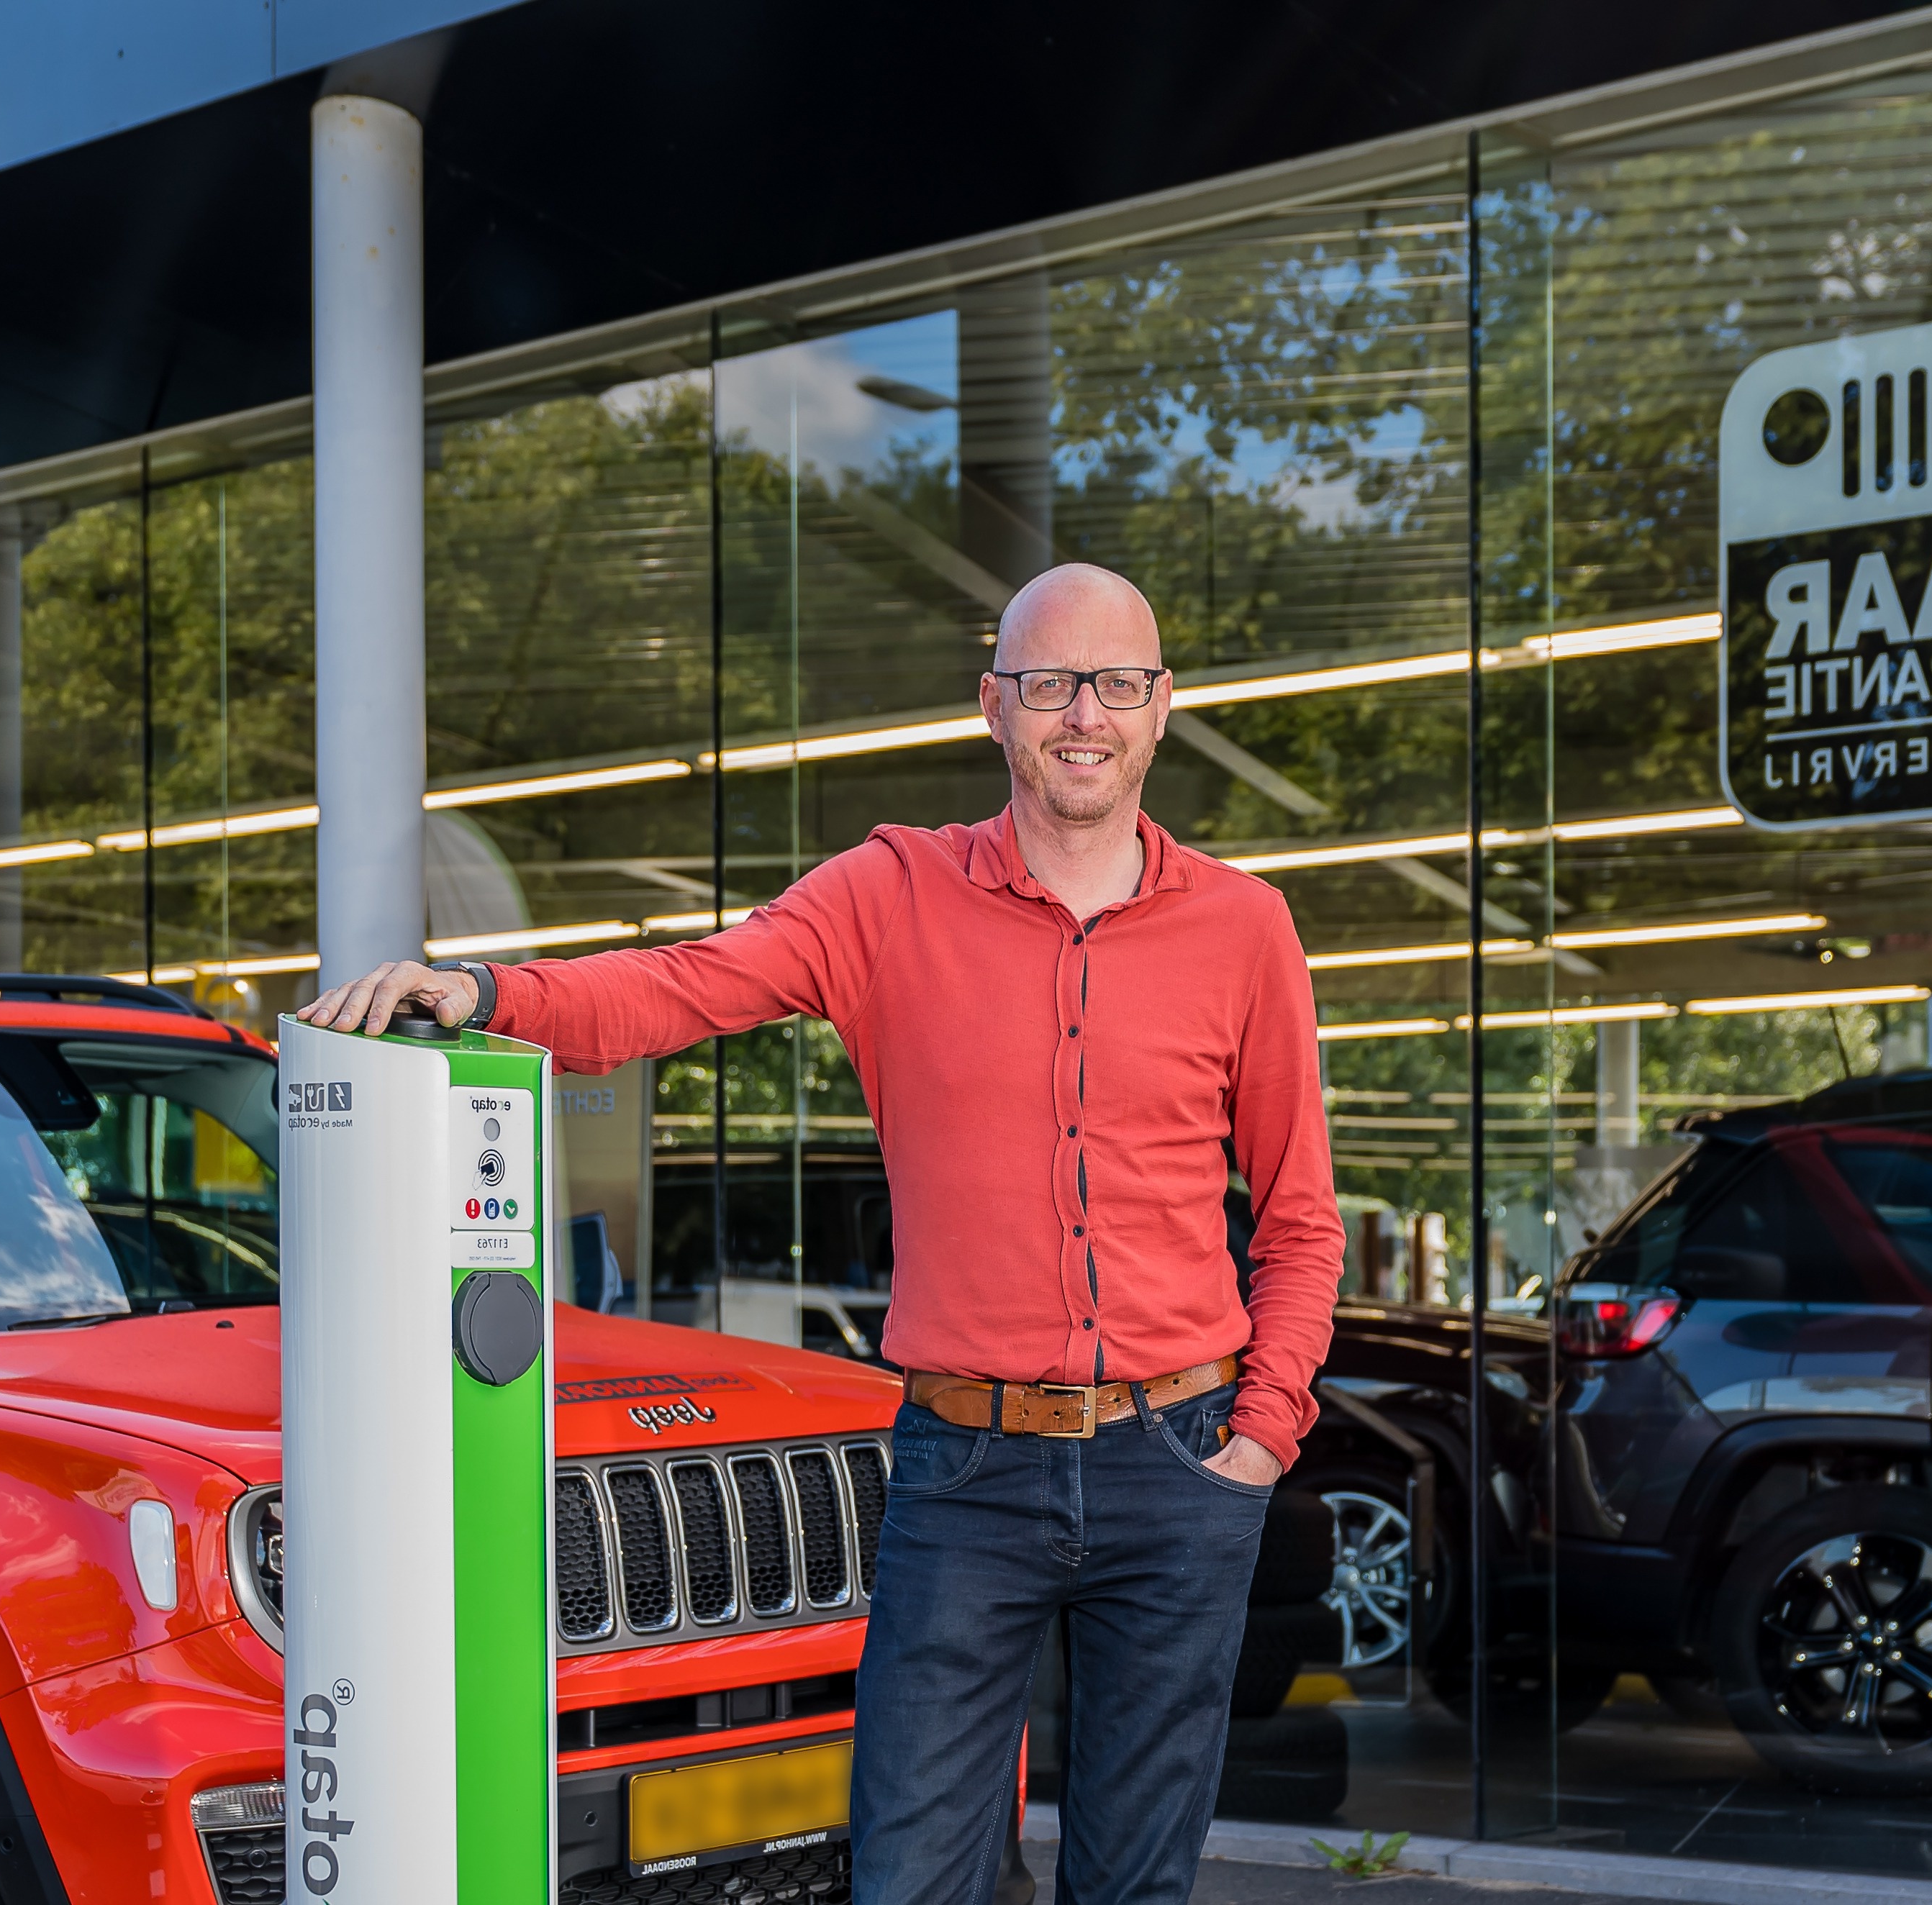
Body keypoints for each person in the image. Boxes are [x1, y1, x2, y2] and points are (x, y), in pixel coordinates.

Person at [300, 561, 1341, 1905]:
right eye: (1047, 685)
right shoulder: (888, 893)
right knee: (907, 1877)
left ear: (1160, 707)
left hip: (1183, 1461)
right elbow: (681, 987)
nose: (1083, 713)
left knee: (1135, 1886)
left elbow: (1302, 1220)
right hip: (966, 1472)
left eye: (1115, 683)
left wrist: (1263, 1438)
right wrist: (487, 987)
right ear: (994, 708)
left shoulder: (1247, 929)